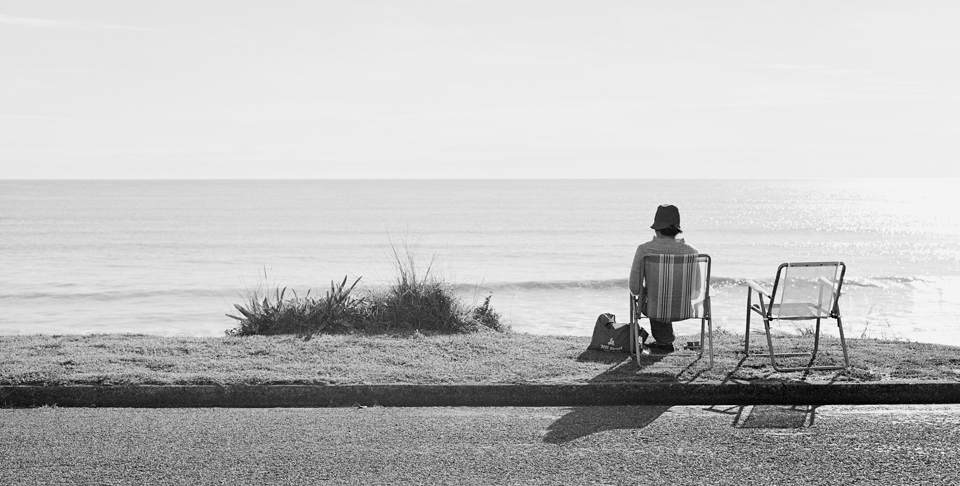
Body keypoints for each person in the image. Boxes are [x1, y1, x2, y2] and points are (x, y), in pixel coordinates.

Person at [629, 204, 699, 354]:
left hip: (655, 308)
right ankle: (664, 342)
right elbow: (697, 290)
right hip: (684, 309)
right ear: (677, 229)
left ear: (657, 228)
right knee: (660, 293)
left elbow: (634, 288)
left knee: (653, 294)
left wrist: (648, 290)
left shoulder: (645, 250)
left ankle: (664, 342)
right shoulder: (692, 252)